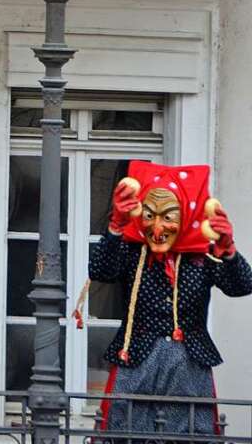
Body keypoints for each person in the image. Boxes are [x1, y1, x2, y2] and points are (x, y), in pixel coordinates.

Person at [87, 161, 252, 437]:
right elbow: (101, 270)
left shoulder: (203, 255)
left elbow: (243, 285)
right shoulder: (131, 251)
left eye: (168, 217)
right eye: (150, 216)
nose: (158, 227)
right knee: (125, 434)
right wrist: (116, 226)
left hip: (188, 365)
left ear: (185, 217)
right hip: (136, 362)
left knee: (189, 435)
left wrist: (228, 249)